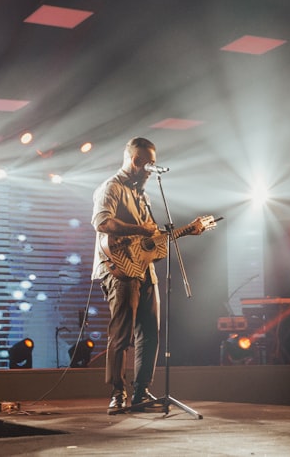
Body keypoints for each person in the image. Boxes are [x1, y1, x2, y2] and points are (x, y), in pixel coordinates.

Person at [91, 137, 208, 413]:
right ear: (136, 161)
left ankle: (141, 390)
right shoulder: (112, 187)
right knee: (121, 335)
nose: (152, 170)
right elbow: (103, 223)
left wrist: (188, 230)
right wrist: (140, 230)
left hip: (145, 269)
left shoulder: (143, 195)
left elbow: (153, 241)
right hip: (118, 268)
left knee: (150, 333)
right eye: (150, 165)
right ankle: (117, 393)